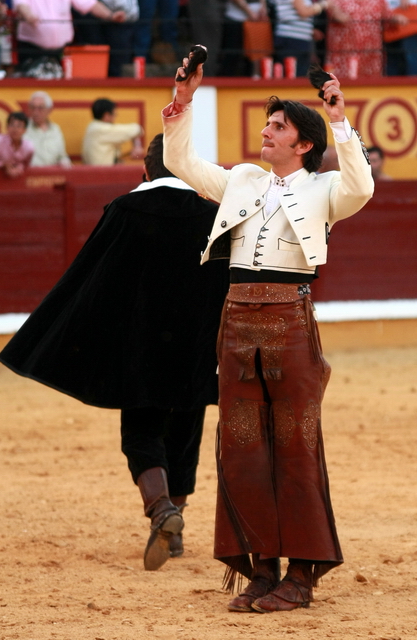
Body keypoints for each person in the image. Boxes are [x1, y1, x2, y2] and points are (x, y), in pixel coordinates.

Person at [162, 53, 374, 611]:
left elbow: (362, 188)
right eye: (267, 125)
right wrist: (182, 101)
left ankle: (301, 575)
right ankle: (262, 567)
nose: (265, 132)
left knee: (296, 446)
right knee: (242, 447)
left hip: (289, 324)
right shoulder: (241, 180)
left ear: (303, 143)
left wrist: (339, 120)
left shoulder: (326, 188)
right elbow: (179, 161)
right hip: (235, 324)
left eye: (277, 127)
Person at [0, 133, 229, 571]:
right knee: (185, 433)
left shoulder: (124, 210)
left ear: (144, 172)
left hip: (139, 347)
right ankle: (172, 527)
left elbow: (91, 281)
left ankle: (161, 510)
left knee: (141, 431)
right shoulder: (213, 215)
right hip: (197, 348)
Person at [12, 0, 126, 71]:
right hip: (32, 49)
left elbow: (89, 4)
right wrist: (28, 16)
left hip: (62, 50)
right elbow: (21, 5)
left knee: (62, 86)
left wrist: (111, 16)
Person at [326, 0, 407, 78]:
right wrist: (335, 10)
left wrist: (396, 19)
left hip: (371, 55)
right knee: (342, 84)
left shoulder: (379, 1)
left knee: (371, 85)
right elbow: (339, 17)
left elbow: (388, 19)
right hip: (344, 55)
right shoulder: (336, 1)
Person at [272, 0, 330, 77]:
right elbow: (303, 12)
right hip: (293, 39)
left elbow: (290, 16)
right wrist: (324, 4)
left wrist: (309, 30)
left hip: (293, 38)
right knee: (295, 76)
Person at [82, 97, 144, 165]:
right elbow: (137, 129)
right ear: (107, 115)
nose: (115, 118)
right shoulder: (102, 129)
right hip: (103, 173)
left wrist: (136, 145)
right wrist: (137, 146)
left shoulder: (92, 126)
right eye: (115, 114)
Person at [24, 91, 72, 167]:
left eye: (40, 108)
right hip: (29, 175)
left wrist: (65, 162)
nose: (36, 112)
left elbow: (62, 156)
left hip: (52, 175)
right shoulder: (23, 128)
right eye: (33, 108)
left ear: (49, 110)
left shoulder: (55, 129)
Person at [0, 111, 34, 177]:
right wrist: (2, 164)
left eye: (19, 126)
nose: (15, 129)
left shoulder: (29, 148)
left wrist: (19, 168)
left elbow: (25, 164)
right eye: (12, 125)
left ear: (25, 130)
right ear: (7, 127)